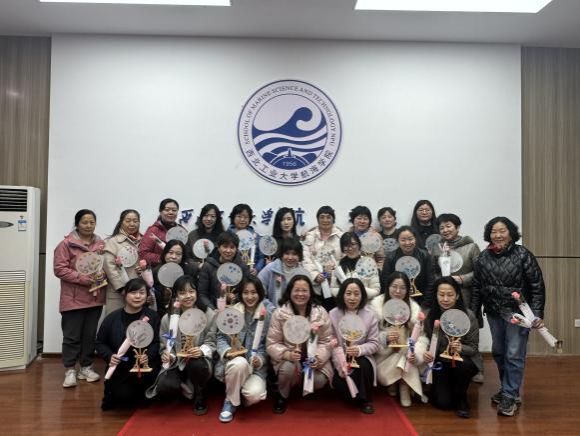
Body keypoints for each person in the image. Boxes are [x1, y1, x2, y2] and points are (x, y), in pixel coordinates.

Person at [471, 217, 545, 417]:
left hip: (518, 315)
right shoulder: (483, 258)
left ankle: (510, 395)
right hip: (494, 313)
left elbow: (537, 286)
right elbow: (476, 287)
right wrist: (473, 314)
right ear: (489, 235)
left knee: (513, 354)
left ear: (511, 233)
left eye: (502, 230)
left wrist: (537, 313)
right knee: (499, 352)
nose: (498, 235)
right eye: (494, 231)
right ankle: (508, 389)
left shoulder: (523, 255)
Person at [147, 275, 215, 415]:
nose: (188, 296)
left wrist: (202, 350)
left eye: (191, 291)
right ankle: (185, 385)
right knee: (165, 386)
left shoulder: (207, 313)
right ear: (176, 295)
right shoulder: (168, 318)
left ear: (197, 293)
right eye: (182, 293)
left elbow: (212, 341)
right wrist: (169, 355)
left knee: (197, 365)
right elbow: (164, 345)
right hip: (177, 362)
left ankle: (200, 394)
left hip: (198, 360)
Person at [266, 275, 333, 414]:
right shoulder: (279, 314)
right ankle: (282, 394)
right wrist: (287, 354)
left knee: (319, 380)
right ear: (289, 292)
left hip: (311, 358)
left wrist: (318, 357)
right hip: (290, 359)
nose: (300, 294)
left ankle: (306, 386)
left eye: (304, 290)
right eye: (296, 290)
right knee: (288, 368)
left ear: (310, 292)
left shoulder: (320, 312)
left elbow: (326, 341)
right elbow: (272, 343)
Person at [53, 209, 105, 388]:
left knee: (89, 336)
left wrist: (102, 274)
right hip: (72, 300)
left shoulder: (101, 244)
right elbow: (59, 269)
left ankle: (86, 367)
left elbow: (104, 266)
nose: (89, 225)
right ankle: (70, 370)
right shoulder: (65, 244)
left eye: (92, 222)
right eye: (84, 222)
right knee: (72, 337)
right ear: (77, 224)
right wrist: (84, 279)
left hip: (95, 298)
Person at [415, 277, 480, 418]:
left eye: (450, 295)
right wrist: (426, 352)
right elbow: (424, 340)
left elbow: (473, 348)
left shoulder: (468, 316)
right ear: (436, 295)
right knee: (443, 403)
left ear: (457, 295)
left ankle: (462, 397)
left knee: (465, 366)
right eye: (441, 294)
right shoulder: (429, 316)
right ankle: (443, 389)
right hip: (440, 362)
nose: (445, 299)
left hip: (462, 361)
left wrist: (461, 348)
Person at [96, 278, 161, 410]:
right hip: (121, 367)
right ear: (124, 294)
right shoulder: (112, 318)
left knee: (146, 401)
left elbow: (157, 342)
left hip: (145, 367)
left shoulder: (153, 317)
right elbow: (99, 343)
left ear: (147, 295)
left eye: (142, 293)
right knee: (124, 398)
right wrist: (110, 356)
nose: (138, 296)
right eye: (133, 292)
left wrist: (148, 355)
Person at [434, 213, 484, 383]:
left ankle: (476, 368)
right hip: (445, 296)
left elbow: (480, 272)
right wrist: (442, 282)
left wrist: (462, 279)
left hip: (465, 295)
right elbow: (434, 271)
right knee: (448, 327)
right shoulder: (438, 248)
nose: (445, 230)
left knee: (467, 329)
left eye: (448, 226)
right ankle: (449, 359)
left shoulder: (471, 246)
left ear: (457, 227)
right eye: (441, 227)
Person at [215, 277, 273, 422]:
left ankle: (239, 394)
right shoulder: (232, 311)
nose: (250, 296)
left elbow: (268, 345)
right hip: (234, 364)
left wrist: (260, 359)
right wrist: (227, 351)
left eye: (254, 292)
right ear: (240, 294)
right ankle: (230, 401)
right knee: (239, 363)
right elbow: (220, 337)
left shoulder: (267, 315)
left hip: (255, 369)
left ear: (260, 293)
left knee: (255, 395)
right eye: (246, 292)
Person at [370, 272, 423, 407]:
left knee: (406, 355)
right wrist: (385, 338)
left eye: (403, 288)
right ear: (388, 287)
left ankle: (403, 386)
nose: (398, 291)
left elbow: (421, 338)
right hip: (384, 356)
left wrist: (413, 351)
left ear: (408, 290)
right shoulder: (376, 306)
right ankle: (397, 382)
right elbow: (369, 336)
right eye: (394, 286)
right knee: (397, 361)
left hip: (405, 354)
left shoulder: (414, 309)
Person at [330, 278, 379, 414]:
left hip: (361, 357)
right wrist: (340, 363)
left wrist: (359, 350)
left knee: (363, 365)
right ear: (342, 294)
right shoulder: (333, 314)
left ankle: (366, 400)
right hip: (341, 358)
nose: (352, 298)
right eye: (348, 293)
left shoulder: (370, 315)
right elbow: (332, 343)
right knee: (341, 388)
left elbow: (374, 343)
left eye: (357, 294)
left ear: (362, 296)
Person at [380, 226, 435, 308]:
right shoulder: (390, 258)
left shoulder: (424, 256)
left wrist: (425, 304)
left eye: (410, 239)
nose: (407, 243)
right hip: (396, 300)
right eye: (403, 240)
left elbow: (430, 281)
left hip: (421, 300)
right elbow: (385, 282)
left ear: (415, 239)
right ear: (398, 241)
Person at [103, 209, 143, 315]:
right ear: (121, 222)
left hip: (139, 293)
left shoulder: (144, 241)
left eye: (135, 221)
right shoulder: (113, 242)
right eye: (128, 221)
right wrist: (122, 288)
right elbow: (109, 267)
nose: (132, 224)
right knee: (116, 322)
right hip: (118, 293)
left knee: (137, 322)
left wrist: (145, 270)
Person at [197, 232, 250, 311]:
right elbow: (202, 294)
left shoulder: (242, 267)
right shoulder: (208, 266)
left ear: (236, 249)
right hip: (213, 310)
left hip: (236, 310)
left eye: (232, 247)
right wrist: (212, 310)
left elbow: (247, 291)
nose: (228, 250)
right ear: (218, 247)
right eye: (225, 246)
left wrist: (235, 297)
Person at [301, 205, 343, 306]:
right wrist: (315, 275)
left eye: (328, 217)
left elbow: (344, 258)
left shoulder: (341, 236)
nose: (325, 220)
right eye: (322, 217)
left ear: (333, 219)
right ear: (317, 219)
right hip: (316, 286)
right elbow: (305, 259)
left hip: (335, 284)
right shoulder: (309, 237)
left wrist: (332, 271)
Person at [152, 240, 199, 319]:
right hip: (163, 313)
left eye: (178, 254)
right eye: (170, 252)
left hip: (187, 310)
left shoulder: (190, 270)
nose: (174, 257)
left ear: (183, 256)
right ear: (165, 254)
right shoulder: (156, 272)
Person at [258, 238, 308, 307]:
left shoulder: (304, 273)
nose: (290, 257)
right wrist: (271, 309)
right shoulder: (270, 269)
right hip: (273, 311)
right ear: (281, 254)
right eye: (287, 253)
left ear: (299, 255)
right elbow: (259, 293)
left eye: (294, 254)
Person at [331, 232, 380, 302]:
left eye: (353, 244)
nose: (350, 248)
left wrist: (358, 291)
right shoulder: (338, 265)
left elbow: (376, 290)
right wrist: (347, 294)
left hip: (365, 304)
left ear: (359, 245)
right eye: (346, 245)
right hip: (344, 304)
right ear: (342, 248)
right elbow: (333, 289)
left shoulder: (369, 263)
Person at [139, 198, 183, 268]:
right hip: (158, 270)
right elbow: (143, 253)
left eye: (174, 210)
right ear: (160, 211)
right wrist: (163, 258)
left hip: (178, 269)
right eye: (167, 210)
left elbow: (185, 252)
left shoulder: (181, 230)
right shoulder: (153, 230)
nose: (171, 212)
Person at [228, 203, 264, 274]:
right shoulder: (227, 235)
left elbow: (261, 257)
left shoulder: (255, 236)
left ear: (249, 219)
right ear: (233, 217)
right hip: (232, 272)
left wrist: (257, 269)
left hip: (251, 273)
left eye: (246, 217)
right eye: (239, 216)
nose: (242, 219)